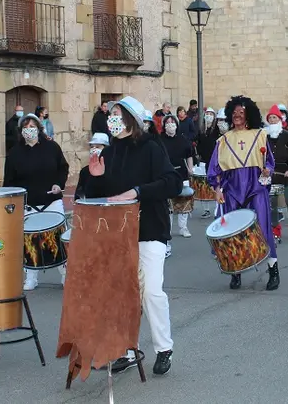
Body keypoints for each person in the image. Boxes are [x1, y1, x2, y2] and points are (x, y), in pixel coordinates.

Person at [84, 96, 180, 376]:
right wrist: (96, 176)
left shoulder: (150, 147)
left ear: (131, 118)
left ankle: (164, 348)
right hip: (118, 233)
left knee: (150, 290)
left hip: (150, 228)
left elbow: (171, 182)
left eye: (117, 113)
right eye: (109, 114)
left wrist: (138, 192)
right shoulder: (108, 153)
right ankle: (126, 349)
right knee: (122, 293)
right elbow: (97, 197)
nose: (112, 118)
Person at [207, 95, 279, 291]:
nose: (237, 115)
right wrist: (217, 189)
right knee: (233, 233)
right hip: (232, 190)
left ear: (248, 115)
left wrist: (266, 171)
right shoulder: (223, 140)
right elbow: (215, 169)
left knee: (263, 228)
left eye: (242, 112)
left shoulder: (260, 135)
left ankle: (273, 270)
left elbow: (269, 163)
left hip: (255, 188)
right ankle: (235, 272)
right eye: (235, 112)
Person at [3, 113, 70, 290]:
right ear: (21, 131)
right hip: (28, 204)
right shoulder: (14, 153)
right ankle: (31, 277)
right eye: (25, 127)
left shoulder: (52, 147)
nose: (29, 130)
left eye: (32, 126)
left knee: (58, 239)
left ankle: (65, 273)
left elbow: (63, 168)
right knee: (29, 241)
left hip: (51, 200)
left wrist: (58, 184)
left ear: (39, 129)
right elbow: (8, 182)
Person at [266, 106, 288, 241]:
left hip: (287, 175)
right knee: (272, 203)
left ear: (280, 119)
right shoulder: (265, 136)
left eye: (274, 118)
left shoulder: (287, 136)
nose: (272, 120)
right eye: (270, 118)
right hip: (272, 175)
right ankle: (275, 228)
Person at [160, 114, 195, 243]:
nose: (170, 125)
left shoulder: (183, 140)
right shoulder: (160, 140)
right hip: (166, 175)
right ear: (164, 126)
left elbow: (189, 155)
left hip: (182, 174)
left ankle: (183, 227)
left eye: (172, 123)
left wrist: (190, 169)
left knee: (183, 202)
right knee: (168, 205)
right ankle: (167, 229)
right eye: (168, 123)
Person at [74, 133, 109, 200]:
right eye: (92, 147)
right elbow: (79, 195)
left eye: (98, 147)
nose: (94, 149)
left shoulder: (113, 169)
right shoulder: (85, 171)